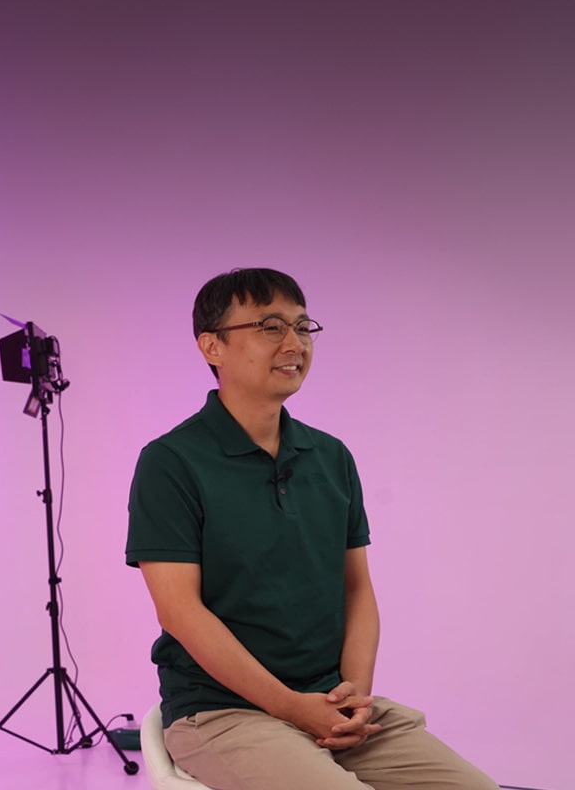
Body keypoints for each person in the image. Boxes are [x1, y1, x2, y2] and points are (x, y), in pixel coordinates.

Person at [126, 267, 498, 790]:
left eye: (303, 327)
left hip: (328, 704)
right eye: (271, 327)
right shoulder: (171, 462)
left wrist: (353, 695)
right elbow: (181, 612)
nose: (295, 343)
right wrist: (293, 709)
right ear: (212, 346)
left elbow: (356, 588)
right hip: (221, 713)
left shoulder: (331, 456)